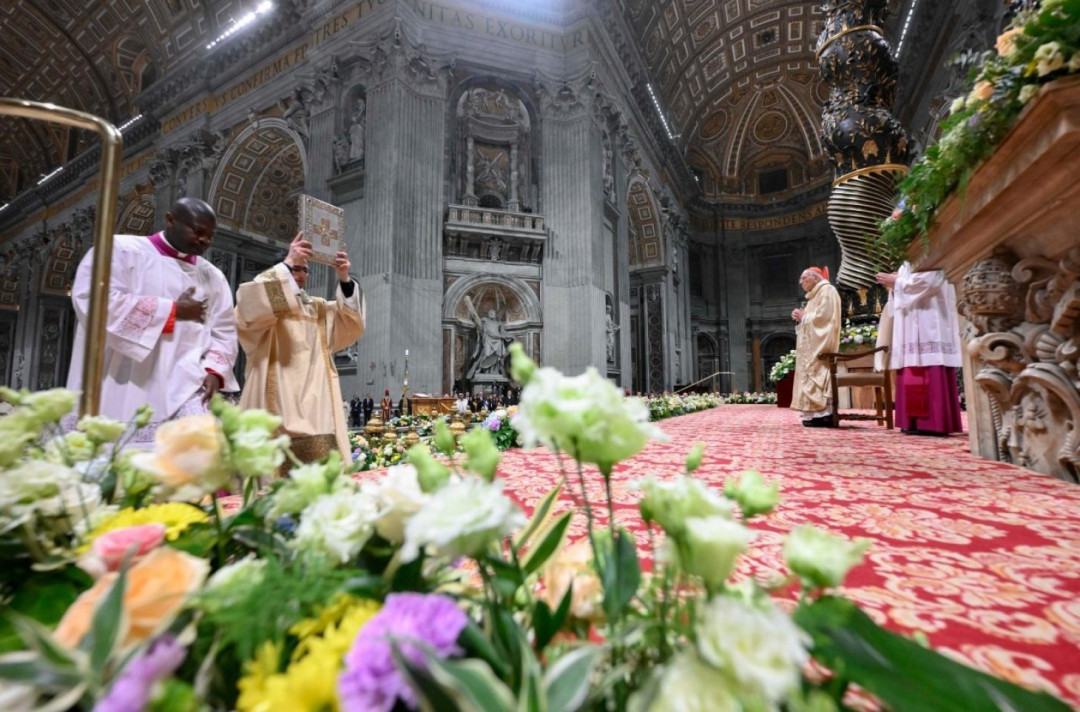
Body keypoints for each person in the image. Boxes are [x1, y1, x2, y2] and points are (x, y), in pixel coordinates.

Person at [66, 197, 239, 444]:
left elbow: (224, 330)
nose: (205, 241)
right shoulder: (120, 251)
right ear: (170, 220)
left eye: (210, 236)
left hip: (187, 380)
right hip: (125, 381)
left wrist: (214, 370)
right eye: (198, 232)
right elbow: (92, 299)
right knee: (120, 461)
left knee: (204, 453)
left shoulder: (212, 275)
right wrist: (172, 311)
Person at [235, 231, 365, 463]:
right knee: (275, 467)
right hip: (275, 391)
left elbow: (352, 323)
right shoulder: (268, 305)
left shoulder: (318, 309)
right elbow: (249, 306)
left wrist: (344, 279)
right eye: (296, 269)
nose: (301, 274)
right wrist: (288, 263)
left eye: (305, 269)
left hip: (316, 398)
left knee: (320, 466)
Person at [876, 264, 963, 435]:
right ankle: (911, 421)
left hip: (929, 319)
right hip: (909, 323)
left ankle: (932, 423)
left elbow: (932, 280)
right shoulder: (907, 263)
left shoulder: (931, 253)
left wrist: (898, 282)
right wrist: (896, 284)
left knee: (929, 363)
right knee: (910, 366)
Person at [790, 266, 841, 427]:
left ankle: (824, 414)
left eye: (804, 278)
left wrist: (805, 316)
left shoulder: (827, 290)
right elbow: (812, 318)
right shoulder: (814, 296)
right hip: (812, 346)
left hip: (822, 346)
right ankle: (816, 414)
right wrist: (801, 318)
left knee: (818, 373)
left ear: (816, 278)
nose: (801, 282)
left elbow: (825, 318)